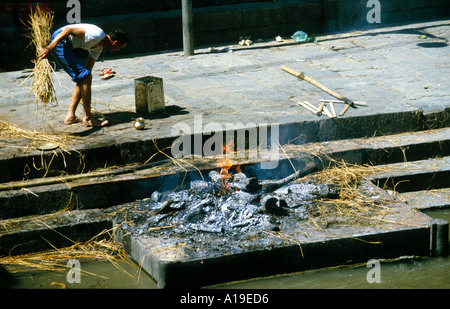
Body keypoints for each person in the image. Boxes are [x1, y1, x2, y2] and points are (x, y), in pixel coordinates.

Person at [39, 24, 128, 127]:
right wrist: (49, 48)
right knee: (85, 77)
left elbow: (86, 74)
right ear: (115, 43)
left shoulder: (98, 48)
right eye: (119, 47)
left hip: (65, 44)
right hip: (60, 40)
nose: (118, 50)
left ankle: (70, 117)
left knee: (84, 77)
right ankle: (87, 118)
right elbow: (68, 30)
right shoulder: (97, 35)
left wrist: (85, 79)